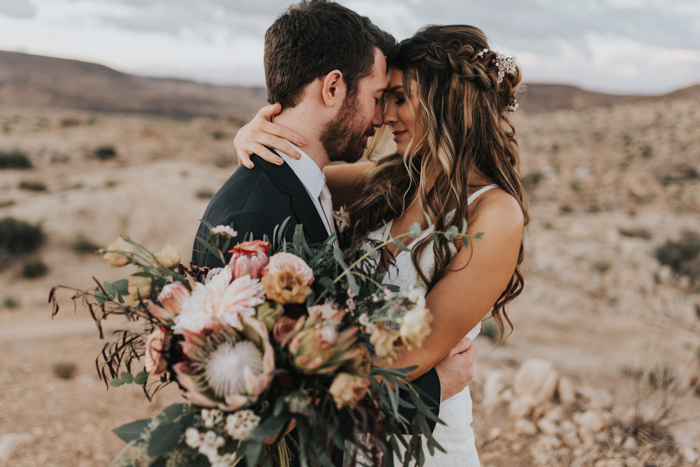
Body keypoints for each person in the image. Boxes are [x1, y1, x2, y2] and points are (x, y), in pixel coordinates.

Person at [192, 2, 476, 464]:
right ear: (333, 87)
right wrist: (431, 389)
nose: (382, 116)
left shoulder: (307, 184)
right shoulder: (253, 218)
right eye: (378, 95)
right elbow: (258, 405)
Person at [233, 23, 527, 466]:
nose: (385, 115)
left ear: (449, 102)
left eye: (401, 98)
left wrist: (293, 399)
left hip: (418, 441)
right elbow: (290, 181)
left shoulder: (495, 215)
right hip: (347, 431)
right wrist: (254, 134)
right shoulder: (392, 180)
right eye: (385, 97)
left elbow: (413, 354)